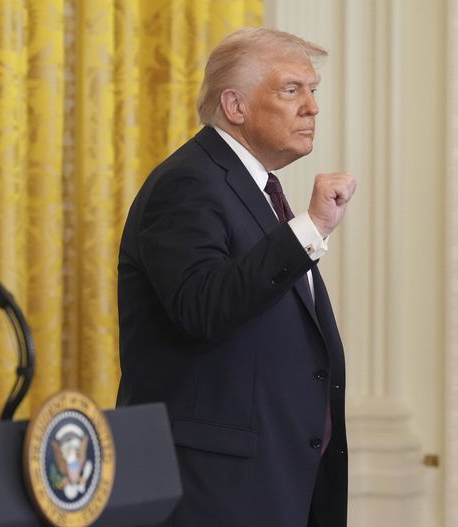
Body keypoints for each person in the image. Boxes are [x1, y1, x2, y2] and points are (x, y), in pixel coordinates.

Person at [116, 27, 356, 527]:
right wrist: (308, 229)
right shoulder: (188, 182)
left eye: (313, 90)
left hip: (279, 478)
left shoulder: (254, 189)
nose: (312, 106)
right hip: (215, 490)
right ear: (235, 105)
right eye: (292, 90)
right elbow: (201, 307)